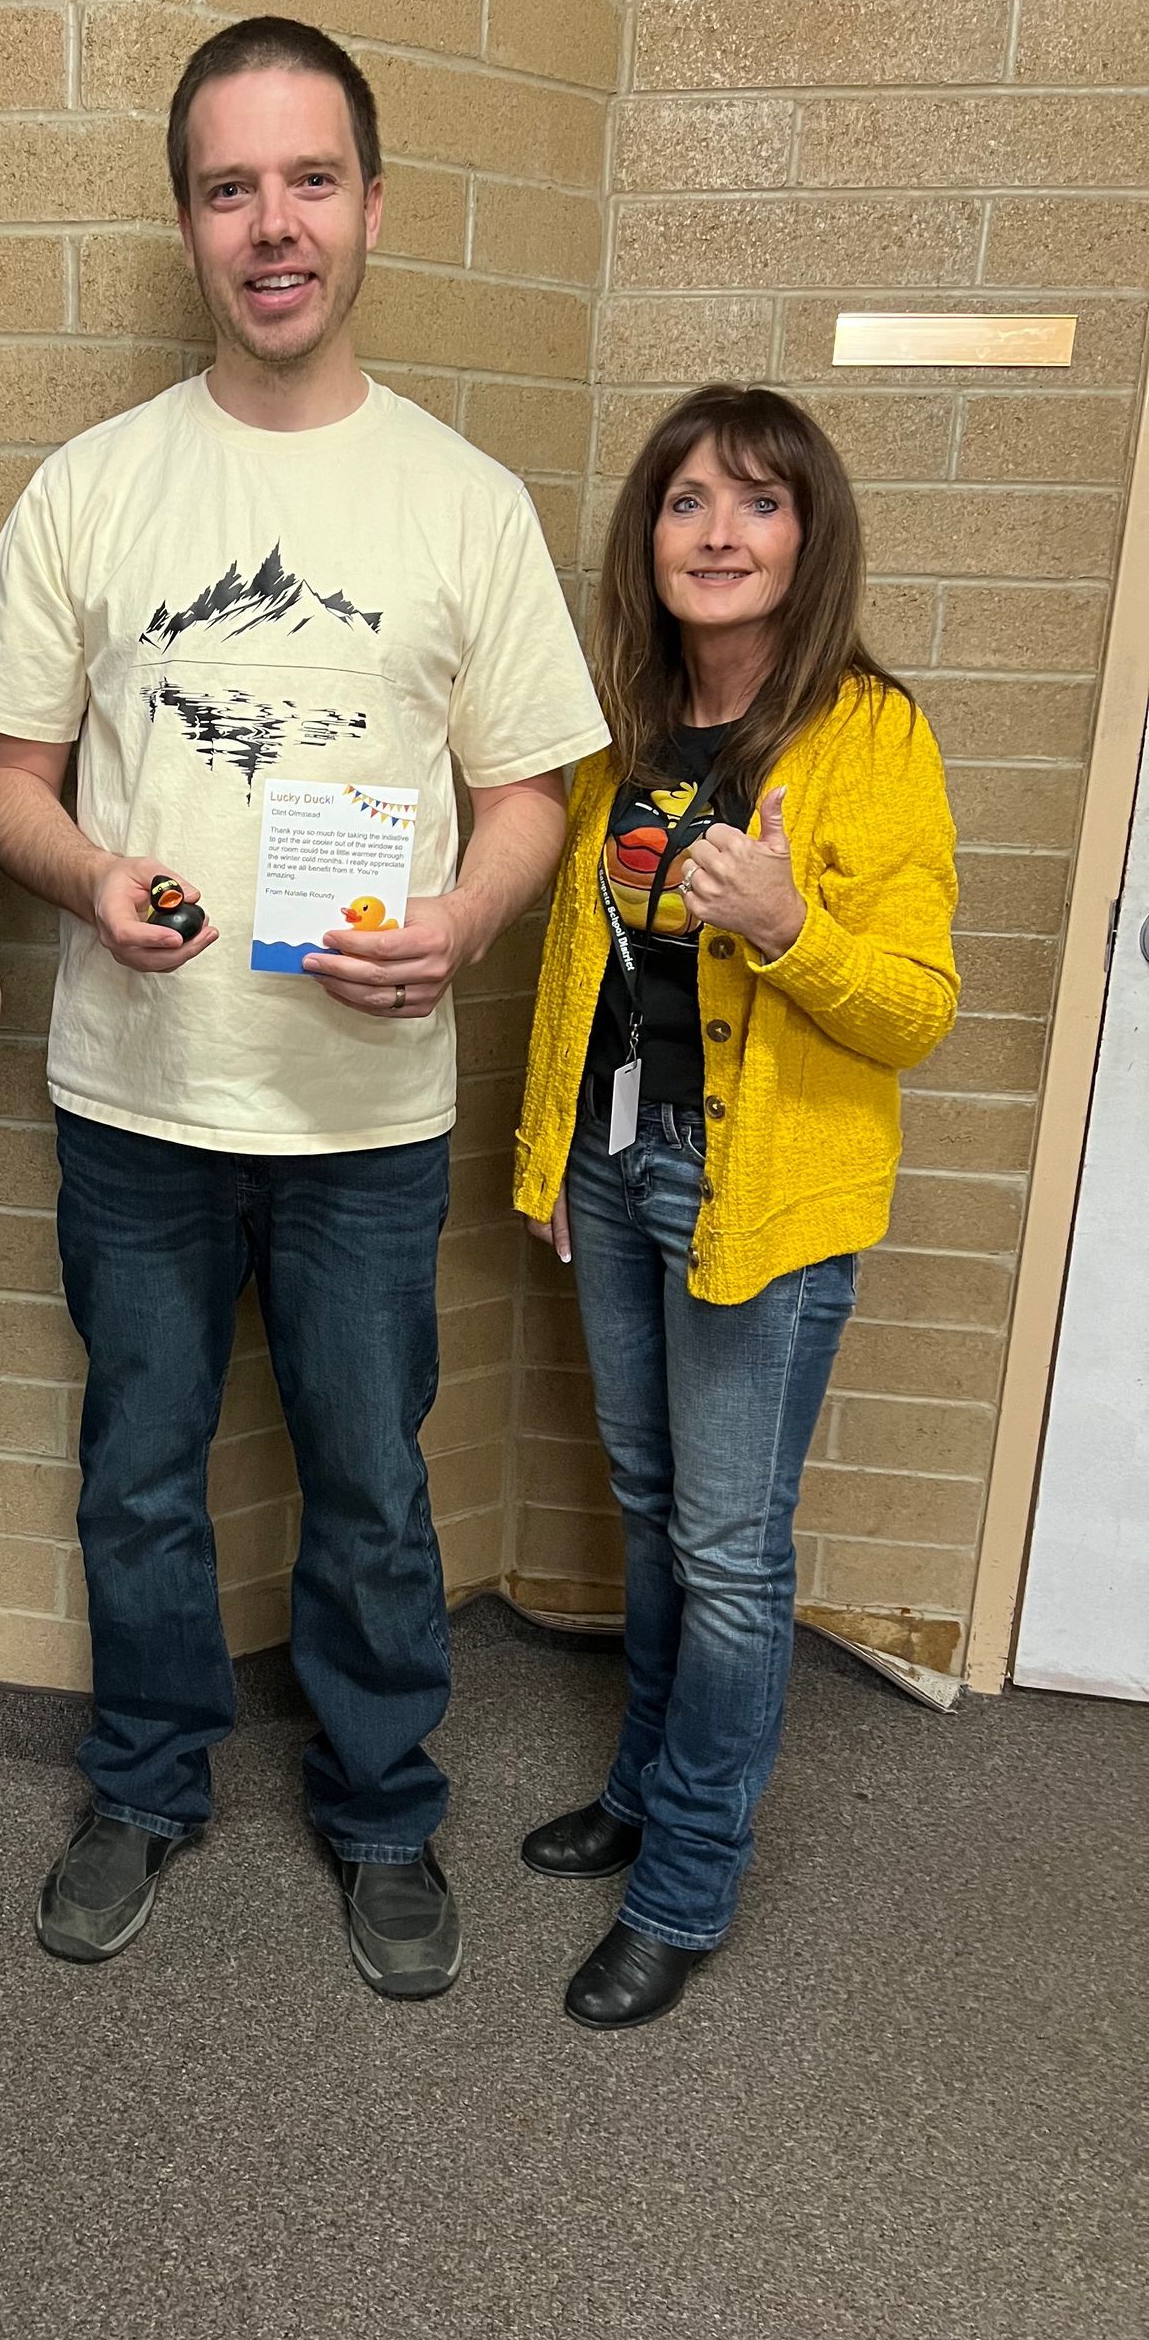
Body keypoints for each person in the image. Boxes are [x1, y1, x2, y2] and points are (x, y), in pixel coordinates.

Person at [0, 17, 607, 2000]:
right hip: (136, 1097)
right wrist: (87, 875)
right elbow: (5, 773)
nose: (273, 223)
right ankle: (142, 1782)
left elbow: (534, 790)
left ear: (372, 208)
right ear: (189, 222)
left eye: (309, 180)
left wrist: (468, 918)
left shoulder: (462, 502)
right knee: (136, 1472)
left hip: (365, 1116)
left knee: (376, 1485)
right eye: (232, 187)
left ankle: (384, 1806)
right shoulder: (94, 487)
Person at [515, 385, 959, 2029]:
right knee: (651, 1509)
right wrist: (549, 1157)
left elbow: (915, 1006)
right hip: (616, 1172)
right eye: (689, 500)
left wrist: (787, 926)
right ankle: (641, 1787)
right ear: (651, 536)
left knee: (728, 1551)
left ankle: (688, 1881)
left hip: (759, 1196)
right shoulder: (624, 726)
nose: (718, 532)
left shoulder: (872, 732)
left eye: (758, 504)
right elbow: (583, 967)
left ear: (808, 535)